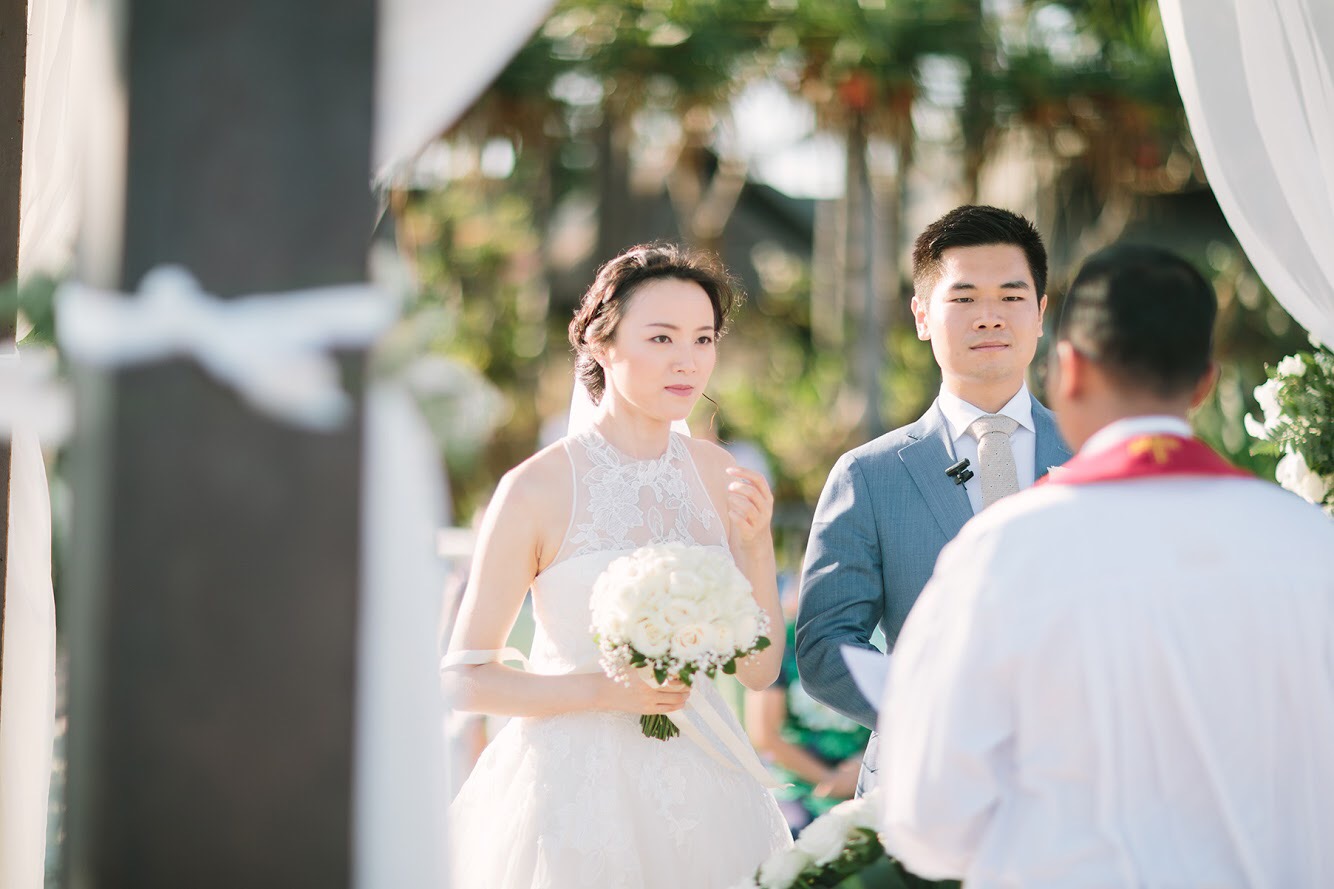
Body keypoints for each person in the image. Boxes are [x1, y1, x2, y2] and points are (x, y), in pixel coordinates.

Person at [877, 244, 1334, 887]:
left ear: (1069, 370)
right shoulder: (1309, 542)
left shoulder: (1005, 551)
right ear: (1204, 382)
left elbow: (928, 818)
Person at [442, 243, 792, 888]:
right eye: (661, 337)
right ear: (601, 343)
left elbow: (760, 671)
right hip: (575, 798)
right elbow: (466, 679)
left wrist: (755, 545)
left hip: (707, 790)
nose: (688, 360)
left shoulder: (722, 476)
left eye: (703, 338)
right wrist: (603, 692)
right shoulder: (536, 488)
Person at [796, 205, 1072, 798]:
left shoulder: (1096, 457)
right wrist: (938, 710)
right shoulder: (868, 475)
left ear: (1041, 313)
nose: (990, 316)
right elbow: (825, 647)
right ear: (922, 316)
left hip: (1077, 779)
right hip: (925, 784)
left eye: (1012, 296)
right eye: (964, 298)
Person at [745, 576, 869, 835]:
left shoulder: (877, 640)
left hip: (865, 774)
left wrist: (861, 769)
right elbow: (764, 734)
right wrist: (828, 779)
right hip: (796, 781)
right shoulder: (781, 642)